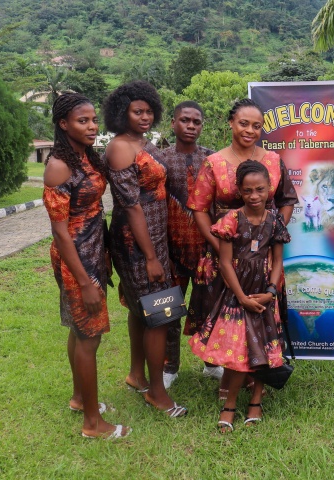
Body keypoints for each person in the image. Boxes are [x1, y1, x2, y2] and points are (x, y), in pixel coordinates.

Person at [187, 98, 297, 400]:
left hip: (262, 257)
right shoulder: (214, 163)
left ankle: (254, 373)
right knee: (225, 314)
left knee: (259, 310)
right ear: (231, 124)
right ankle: (228, 375)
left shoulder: (273, 161)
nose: (250, 130)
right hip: (223, 253)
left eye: (257, 126)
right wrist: (218, 244)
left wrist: (273, 233)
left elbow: (287, 199)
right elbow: (199, 208)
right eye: (244, 123)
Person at [43, 93, 130, 439]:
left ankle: (80, 399)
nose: (92, 126)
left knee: (79, 331)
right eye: (83, 121)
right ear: (63, 124)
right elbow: (60, 233)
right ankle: (93, 424)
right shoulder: (59, 166)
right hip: (77, 258)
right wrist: (84, 281)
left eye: (94, 120)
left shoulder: (84, 156)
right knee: (89, 337)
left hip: (94, 250)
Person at [102, 80, 187, 417]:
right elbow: (132, 205)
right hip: (136, 243)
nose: (145, 116)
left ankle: (137, 375)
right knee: (159, 313)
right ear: (122, 112)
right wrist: (151, 256)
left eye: (149, 111)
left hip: (155, 239)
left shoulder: (144, 143)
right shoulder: (121, 147)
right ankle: (156, 393)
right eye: (138, 111)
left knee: (142, 309)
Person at [189, 160, 291, 432]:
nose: (254, 196)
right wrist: (242, 297)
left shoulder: (275, 220)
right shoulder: (230, 220)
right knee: (236, 353)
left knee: (264, 348)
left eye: (260, 189)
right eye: (248, 191)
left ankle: (256, 401)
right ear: (239, 191)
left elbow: (278, 259)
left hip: (265, 293)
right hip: (236, 293)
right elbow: (224, 263)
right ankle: (230, 405)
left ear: (270, 188)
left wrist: (271, 291)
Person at [161, 101, 218, 389]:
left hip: (207, 251)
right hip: (171, 251)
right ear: (173, 123)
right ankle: (169, 366)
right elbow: (154, 209)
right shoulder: (160, 160)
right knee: (168, 311)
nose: (191, 126)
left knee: (209, 308)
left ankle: (211, 362)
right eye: (185, 120)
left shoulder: (212, 159)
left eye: (196, 121)